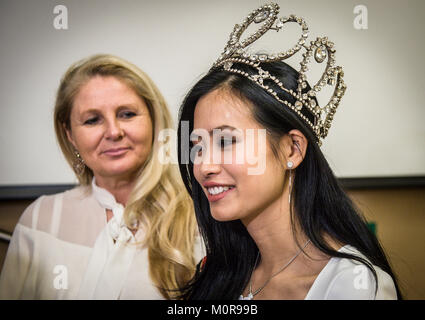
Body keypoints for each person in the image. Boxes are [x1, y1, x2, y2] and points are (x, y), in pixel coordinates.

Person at [176, 3, 401, 299]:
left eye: (226, 142)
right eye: (198, 146)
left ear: (292, 149)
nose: (204, 166)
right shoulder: (216, 272)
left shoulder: (352, 285)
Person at [0, 54, 201, 299]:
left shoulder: (200, 218)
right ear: (70, 135)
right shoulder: (40, 219)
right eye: (92, 120)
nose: (114, 132)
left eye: (127, 114)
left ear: (153, 120)